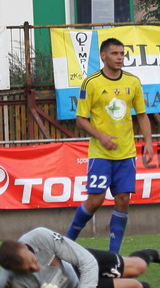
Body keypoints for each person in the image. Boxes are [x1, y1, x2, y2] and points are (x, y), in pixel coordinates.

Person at [66, 37, 153, 253]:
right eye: (115, 54)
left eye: (122, 54)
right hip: (101, 153)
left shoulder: (132, 82)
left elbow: (142, 115)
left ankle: (114, 256)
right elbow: (80, 119)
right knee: (95, 200)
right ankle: (66, 243)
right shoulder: (91, 83)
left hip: (126, 153)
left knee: (123, 199)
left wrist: (149, 142)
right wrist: (101, 136)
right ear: (103, 56)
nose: (120, 58)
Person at [0, 227, 160, 288]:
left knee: (138, 267)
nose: (36, 268)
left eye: (33, 261)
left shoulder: (40, 237)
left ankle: (150, 253)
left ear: (24, 246)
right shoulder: (8, 284)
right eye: (29, 270)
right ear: (14, 270)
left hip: (77, 266)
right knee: (137, 287)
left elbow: (86, 260)